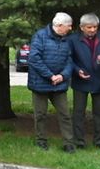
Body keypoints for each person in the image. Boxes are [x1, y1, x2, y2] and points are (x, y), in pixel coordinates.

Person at [27, 13, 76, 151]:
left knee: (65, 114)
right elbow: (34, 58)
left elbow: (70, 60)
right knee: (40, 114)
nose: (70, 28)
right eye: (69, 25)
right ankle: (41, 140)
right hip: (40, 83)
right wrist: (50, 76)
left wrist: (62, 75)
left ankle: (68, 143)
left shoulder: (67, 40)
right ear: (60, 26)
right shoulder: (40, 36)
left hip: (59, 84)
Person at [69, 13, 100, 149]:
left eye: (95, 27)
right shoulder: (73, 39)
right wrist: (77, 70)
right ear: (82, 27)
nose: (92, 30)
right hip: (80, 81)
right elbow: (68, 59)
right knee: (78, 112)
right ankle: (79, 141)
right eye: (89, 27)